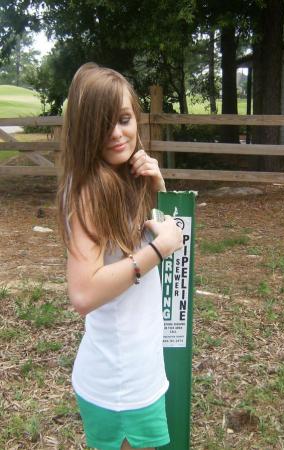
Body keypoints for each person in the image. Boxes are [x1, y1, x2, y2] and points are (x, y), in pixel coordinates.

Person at [57, 62, 183, 450]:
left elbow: (157, 232)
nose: (117, 132)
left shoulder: (123, 178)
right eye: (103, 124)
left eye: (125, 119)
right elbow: (83, 294)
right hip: (120, 384)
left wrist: (157, 187)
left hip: (135, 367)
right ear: (85, 131)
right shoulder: (90, 193)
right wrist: (157, 251)